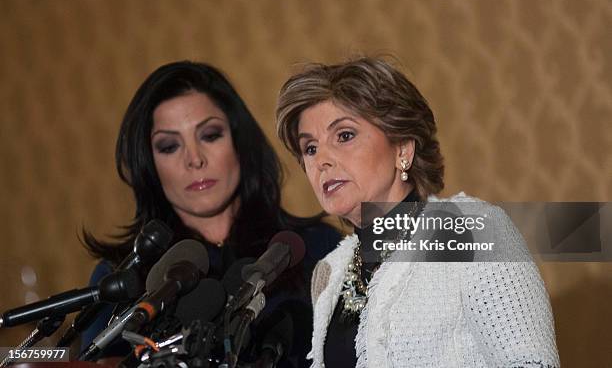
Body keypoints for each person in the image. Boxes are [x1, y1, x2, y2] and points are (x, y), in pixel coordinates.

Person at [276, 57, 560, 367]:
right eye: (310, 148)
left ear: (403, 148)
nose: (321, 161)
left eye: (344, 136)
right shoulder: (329, 273)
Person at [81, 61, 341, 366]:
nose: (195, 159)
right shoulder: (123, 274)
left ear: (239, 141)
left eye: (210, 135)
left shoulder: (317, 247)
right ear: (149, 165)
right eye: (169, 146)